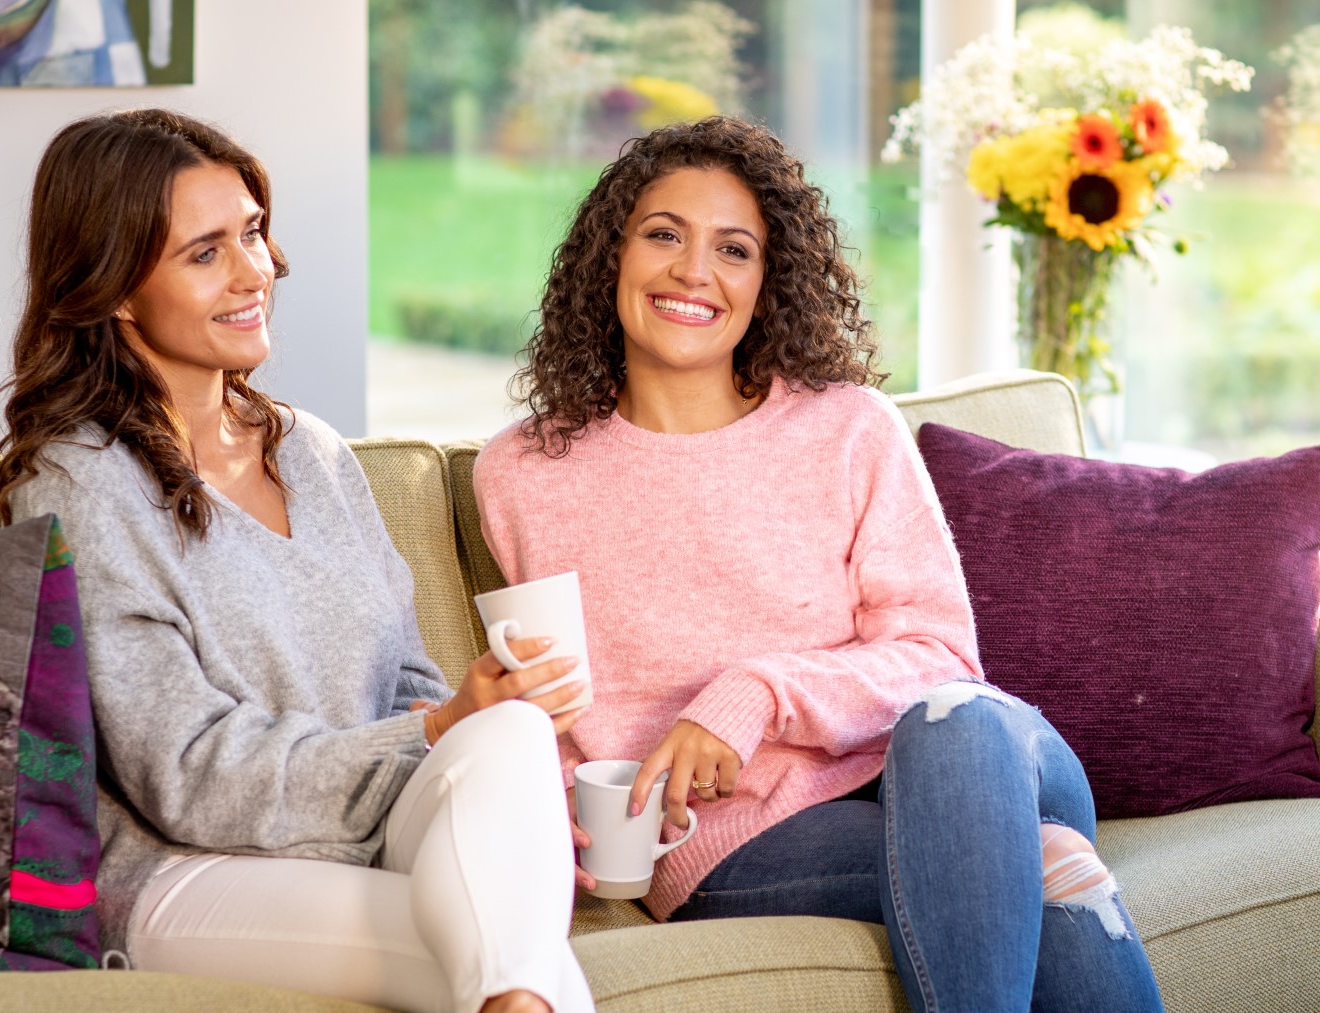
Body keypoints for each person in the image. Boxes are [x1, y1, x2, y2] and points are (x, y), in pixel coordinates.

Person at [473, 116, 1164, 1013]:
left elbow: (941, 658)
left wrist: (753, 697)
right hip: (733, 836)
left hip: (958, 758)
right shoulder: (528, 470)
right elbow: (552, 707)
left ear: (768, 282)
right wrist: (585, 814)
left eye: (734, 249)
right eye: (663, 235)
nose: (694, 271)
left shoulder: (848, 427)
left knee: (954, 722)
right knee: (1044, 860)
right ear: (610, 255)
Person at [0, 108, 593, 1013]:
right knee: (523, 963)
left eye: (254, 234)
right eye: (205, 253)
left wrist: (462, 716)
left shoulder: (309, 450)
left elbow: (409, 679)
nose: (256, 272)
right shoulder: (78, 481)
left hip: (372, 826)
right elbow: (184, 775)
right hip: (195, 871)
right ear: (115, 288)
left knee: (508, 734)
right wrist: (429, 734)